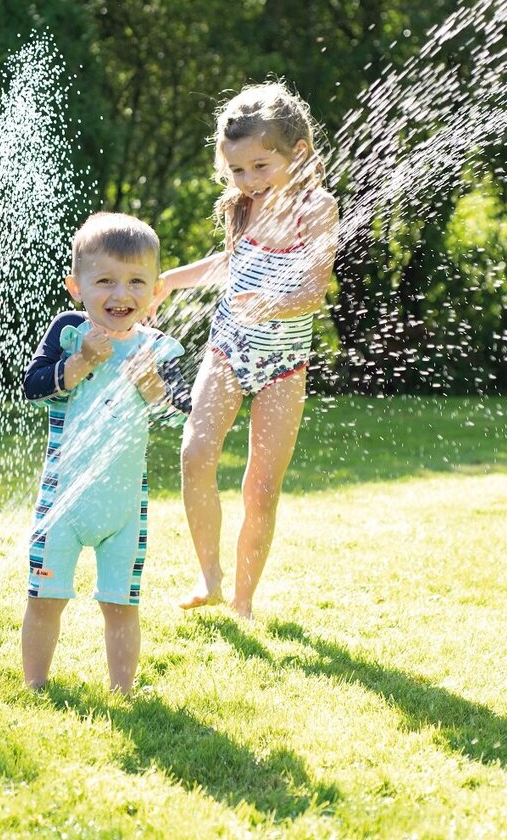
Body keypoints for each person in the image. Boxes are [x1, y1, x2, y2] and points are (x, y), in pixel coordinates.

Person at [159, 82, 339, 620]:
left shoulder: (316, 208)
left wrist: (273, 304)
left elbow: (314, 289)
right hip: (229, 346)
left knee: (261, 488)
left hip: (284, 364)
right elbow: (228, 266)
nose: (249, 181)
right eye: (238, 171)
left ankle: (242, 600)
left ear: (297, 153)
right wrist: (171, 280)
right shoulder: (244, 207)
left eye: (261, 166)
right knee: (195, 452)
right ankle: (209, 577)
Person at [21, 212, 190, 693]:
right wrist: (79, 363)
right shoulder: (69, 333)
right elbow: (34, 387)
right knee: (44, 598)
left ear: (156, 291)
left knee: (122, 604)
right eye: (106, 282)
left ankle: (123, 690)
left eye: (137, 281)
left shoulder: (158, 348)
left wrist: (151, 385)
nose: (121, 295)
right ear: (77, 287)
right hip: (62, 507)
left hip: (125, 510)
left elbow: (182, 415)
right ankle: (35, 685)